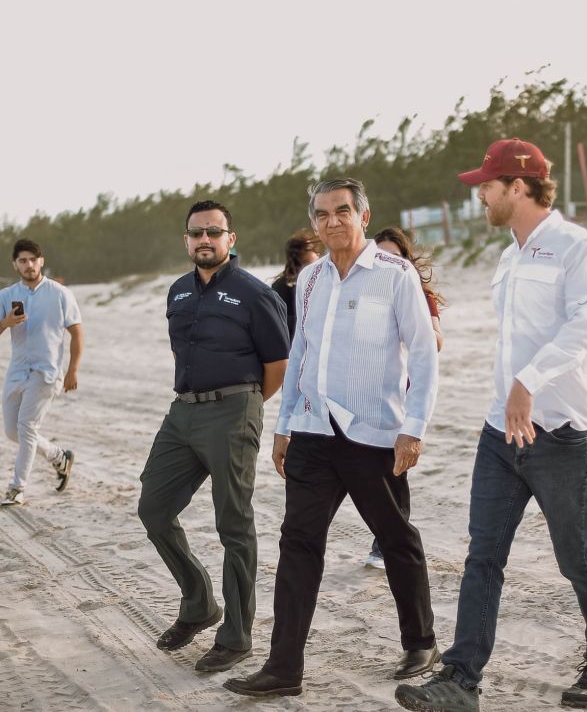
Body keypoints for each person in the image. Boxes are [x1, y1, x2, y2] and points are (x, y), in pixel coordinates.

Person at [394, 138, 587, 712]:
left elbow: (584, 330)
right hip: (500, 432)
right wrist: (510, 393)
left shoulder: (579, 248)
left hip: (561, 432)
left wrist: (528, 382)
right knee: (483, 555)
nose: (480, 195)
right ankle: (461, 679)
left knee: (576, 557)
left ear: (518, 187)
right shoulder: (509, 256)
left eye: (487, 186)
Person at [224, 178, 439, 698]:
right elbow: (300, 352)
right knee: (298, 543)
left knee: (395, 537)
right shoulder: (311, 278)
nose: (332, 221)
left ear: (363, 216)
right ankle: (283, 668)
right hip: (313, 431)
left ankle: (421, 641)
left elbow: (423, 352)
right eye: (321, 214)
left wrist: (413, 429)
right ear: (314, 223)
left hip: (373, 433)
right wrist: (284, 424)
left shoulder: (396, 275)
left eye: (342, 211)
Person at [137, 200, 289, 673]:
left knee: (233, 523)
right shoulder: (178, 291)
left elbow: (278, 364)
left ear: (230, 239)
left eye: (214, 232)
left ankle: (237, 636)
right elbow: (181, 352)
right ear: (186, 240)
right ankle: (199, 602)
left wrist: (244, 406)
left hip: (233, 410)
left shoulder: (254, 293)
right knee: (153, 508)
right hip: (182, 412)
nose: (205, 239)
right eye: (197, 232)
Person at [363, 225, 445, 570]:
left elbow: (435, 342)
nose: (388, 264)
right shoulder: (361, 290)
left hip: (403, 395)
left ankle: (388, 544)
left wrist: (414, 328)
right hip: (365, 393)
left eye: (395, 257)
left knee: (395, 468)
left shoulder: (417, 294)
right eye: (380, 257)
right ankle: (387, 539)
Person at [0, 239, 83, 506]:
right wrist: (6, 322)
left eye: (33, 259)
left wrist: (72, 371)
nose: (29, 265)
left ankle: (17, 488)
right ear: (15, 265)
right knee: (12, 432)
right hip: (16, 372)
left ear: (41, 261)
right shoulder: (6, 295)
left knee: (26, 427)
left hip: (46, 373)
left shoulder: (60, 293)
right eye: (22, 261)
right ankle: (59, 456)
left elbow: (76, 333)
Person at [271, 229, 322, 341]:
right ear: (300, 254)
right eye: (312, 249)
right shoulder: (287, 286)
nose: (317, 254)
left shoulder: (279, 285)